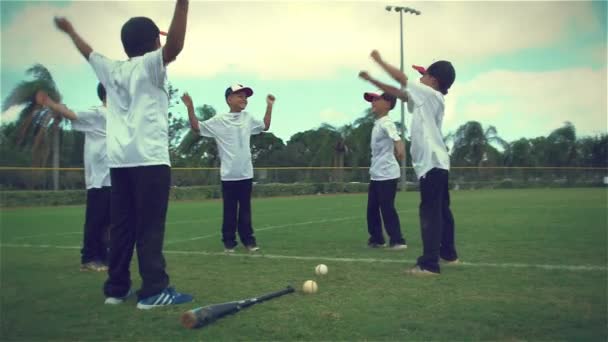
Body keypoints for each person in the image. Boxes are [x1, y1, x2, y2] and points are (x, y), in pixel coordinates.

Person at [54, 0, 194, 307]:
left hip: (120, 164)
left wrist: (70, 31)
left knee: (122, 228)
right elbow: (176, 47)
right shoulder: (150, 65)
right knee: (149, 228)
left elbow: (87, 51)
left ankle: (116, 289)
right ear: (154, 42)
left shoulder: (111, 70)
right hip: (151, 161)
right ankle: (154, 290)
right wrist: (183, 4)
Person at [359, 50, 459, 275]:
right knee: (442, 211)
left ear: (433, 80)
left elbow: (402, 81)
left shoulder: (430, 95)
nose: (419, 79)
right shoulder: (427, 99)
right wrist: (372, 80)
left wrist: (380, 62)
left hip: (432, 164)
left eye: (423, 76)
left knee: (431, 212)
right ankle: (449, 254)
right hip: (438, 163)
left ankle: (429, 264)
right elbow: (400, 93)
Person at [181, 85, 275, 253]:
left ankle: (249, 241)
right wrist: (190, 107)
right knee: (230, 211)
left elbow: (265, 126)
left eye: (245, 97)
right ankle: (229, 242)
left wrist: (269, 106)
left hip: (246, 174)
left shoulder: (248, 118)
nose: (244, 99)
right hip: (229, 176)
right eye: (240, 96)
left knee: (245, 211)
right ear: (229, 99)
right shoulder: (219, 121)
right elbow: (197, 127)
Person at [36, 84, 111, 272]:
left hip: (113, 178)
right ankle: (89, 259)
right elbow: (71, 114)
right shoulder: (98, 113)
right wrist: (50, 103)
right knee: (96, 220)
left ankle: (103, 256)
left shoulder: (118, 116)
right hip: (99, 179)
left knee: (109, 221)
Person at [362, 91, 407, 250]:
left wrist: (400, 149)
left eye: (376, 99)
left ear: (387, 104)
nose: (372, 102)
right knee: (372, 209)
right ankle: (377, 239)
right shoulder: (378, 123)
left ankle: (398, 240)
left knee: (387, 208)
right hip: (376, 173)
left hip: (387, 173)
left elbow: (397, 138)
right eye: (371, 100)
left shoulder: (387, 122)